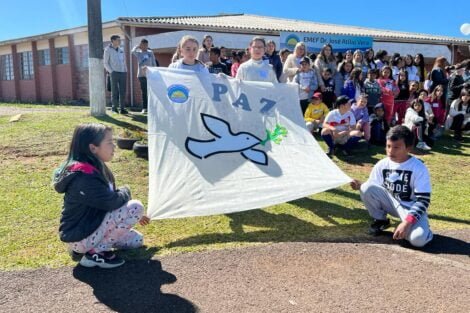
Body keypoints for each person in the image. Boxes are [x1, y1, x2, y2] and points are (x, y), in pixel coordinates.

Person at [53, 123, 150, 268]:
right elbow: (112, 202)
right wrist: (127, 190)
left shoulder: (97, 167)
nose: (114, 146)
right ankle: (94, 253)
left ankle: (93, 247)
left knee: (136, 240)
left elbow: (110, 199)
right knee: (136, 207)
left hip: (93, 227)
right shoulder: (83, 177)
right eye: (109, 142)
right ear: (93, 148)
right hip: (80, 236)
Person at [350, 125, 433, 248]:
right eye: (388, 146)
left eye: (396, 147)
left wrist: (407, 223)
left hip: (410, 209)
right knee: (366, 187)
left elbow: (423, 200)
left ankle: (426, 232)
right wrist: (359, 186)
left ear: (409, 148)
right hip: (391, 203)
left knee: (417, 240)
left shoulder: (418, 167)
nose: (390, 151)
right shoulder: (382, 164)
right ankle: (381, 220)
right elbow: (373, 188)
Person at [131, 39, 158, 114]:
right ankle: (145, 108)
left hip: (150, 75)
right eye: (144, 45)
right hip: (141, 75)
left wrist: (155, 72)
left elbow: (154, 63)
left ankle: (152, 108)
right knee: (144, 92)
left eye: (147, 45)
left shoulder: (150, 52)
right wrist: (137, 46)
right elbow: (132, 51)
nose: (146, 46)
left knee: (151, 92)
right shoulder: (139, 53)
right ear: (141, 45)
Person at [104, 35, 128, 114]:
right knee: (114, 91)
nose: (120, 41)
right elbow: (105, 63)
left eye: (120, 40)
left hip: (123, 72)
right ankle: (114, 108)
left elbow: (123, 61)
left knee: (122, 91)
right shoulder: (107, 50)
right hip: (114, 73)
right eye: (118, 40)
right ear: (113, 41)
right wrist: (111, 71)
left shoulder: (121, 50)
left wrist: (125, 70)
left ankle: (122, 109)